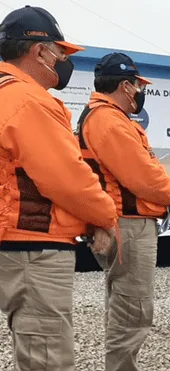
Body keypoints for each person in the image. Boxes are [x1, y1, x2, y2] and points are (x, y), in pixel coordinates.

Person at [0, 6, 119, 371]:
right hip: (33, 245)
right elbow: (67, 177)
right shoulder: (27, 100)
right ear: (39, 51)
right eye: (61, 53)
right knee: (47, 358)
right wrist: (105, 216)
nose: (63, 63)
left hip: (16, 242)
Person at [74, 52, 170, 371]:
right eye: (137, 84)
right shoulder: (108, 120)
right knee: (133, 309)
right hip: (129, 226)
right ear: (125, 85)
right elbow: (145, 178)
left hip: (123, 224)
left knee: (124, 304)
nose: (140, 90)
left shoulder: (105, 117)